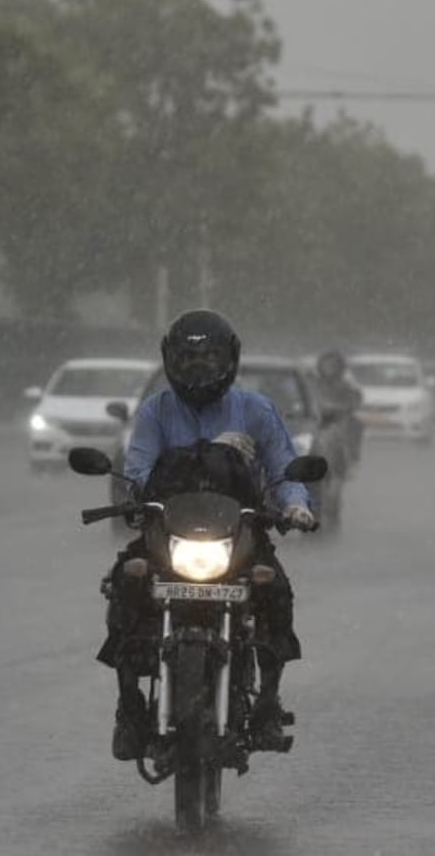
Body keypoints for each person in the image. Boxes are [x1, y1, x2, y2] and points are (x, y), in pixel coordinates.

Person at [100, 309, 316, 761]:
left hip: (240, 534)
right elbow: (137, 472)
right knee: (126, 583)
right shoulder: (155, 412)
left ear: (230, 361)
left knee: (274, 590)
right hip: (169, 534)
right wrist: (137, 495)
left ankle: (269, 703)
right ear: (170, 361)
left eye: (209, 359)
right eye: (188, 359)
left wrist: (295, 505)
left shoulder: (256, 410)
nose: (198, 369)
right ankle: (129, 706)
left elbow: (284, 467)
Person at [313, 349, 364, 471]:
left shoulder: (346, 385)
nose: (329, 368)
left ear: (340, 367)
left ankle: (350, 456)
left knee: (356, 424)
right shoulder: (313, 382)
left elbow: (356, 400)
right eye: (326, 365)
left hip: (339, 419)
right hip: (316, 418)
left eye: (333, 365)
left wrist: (340, 407)